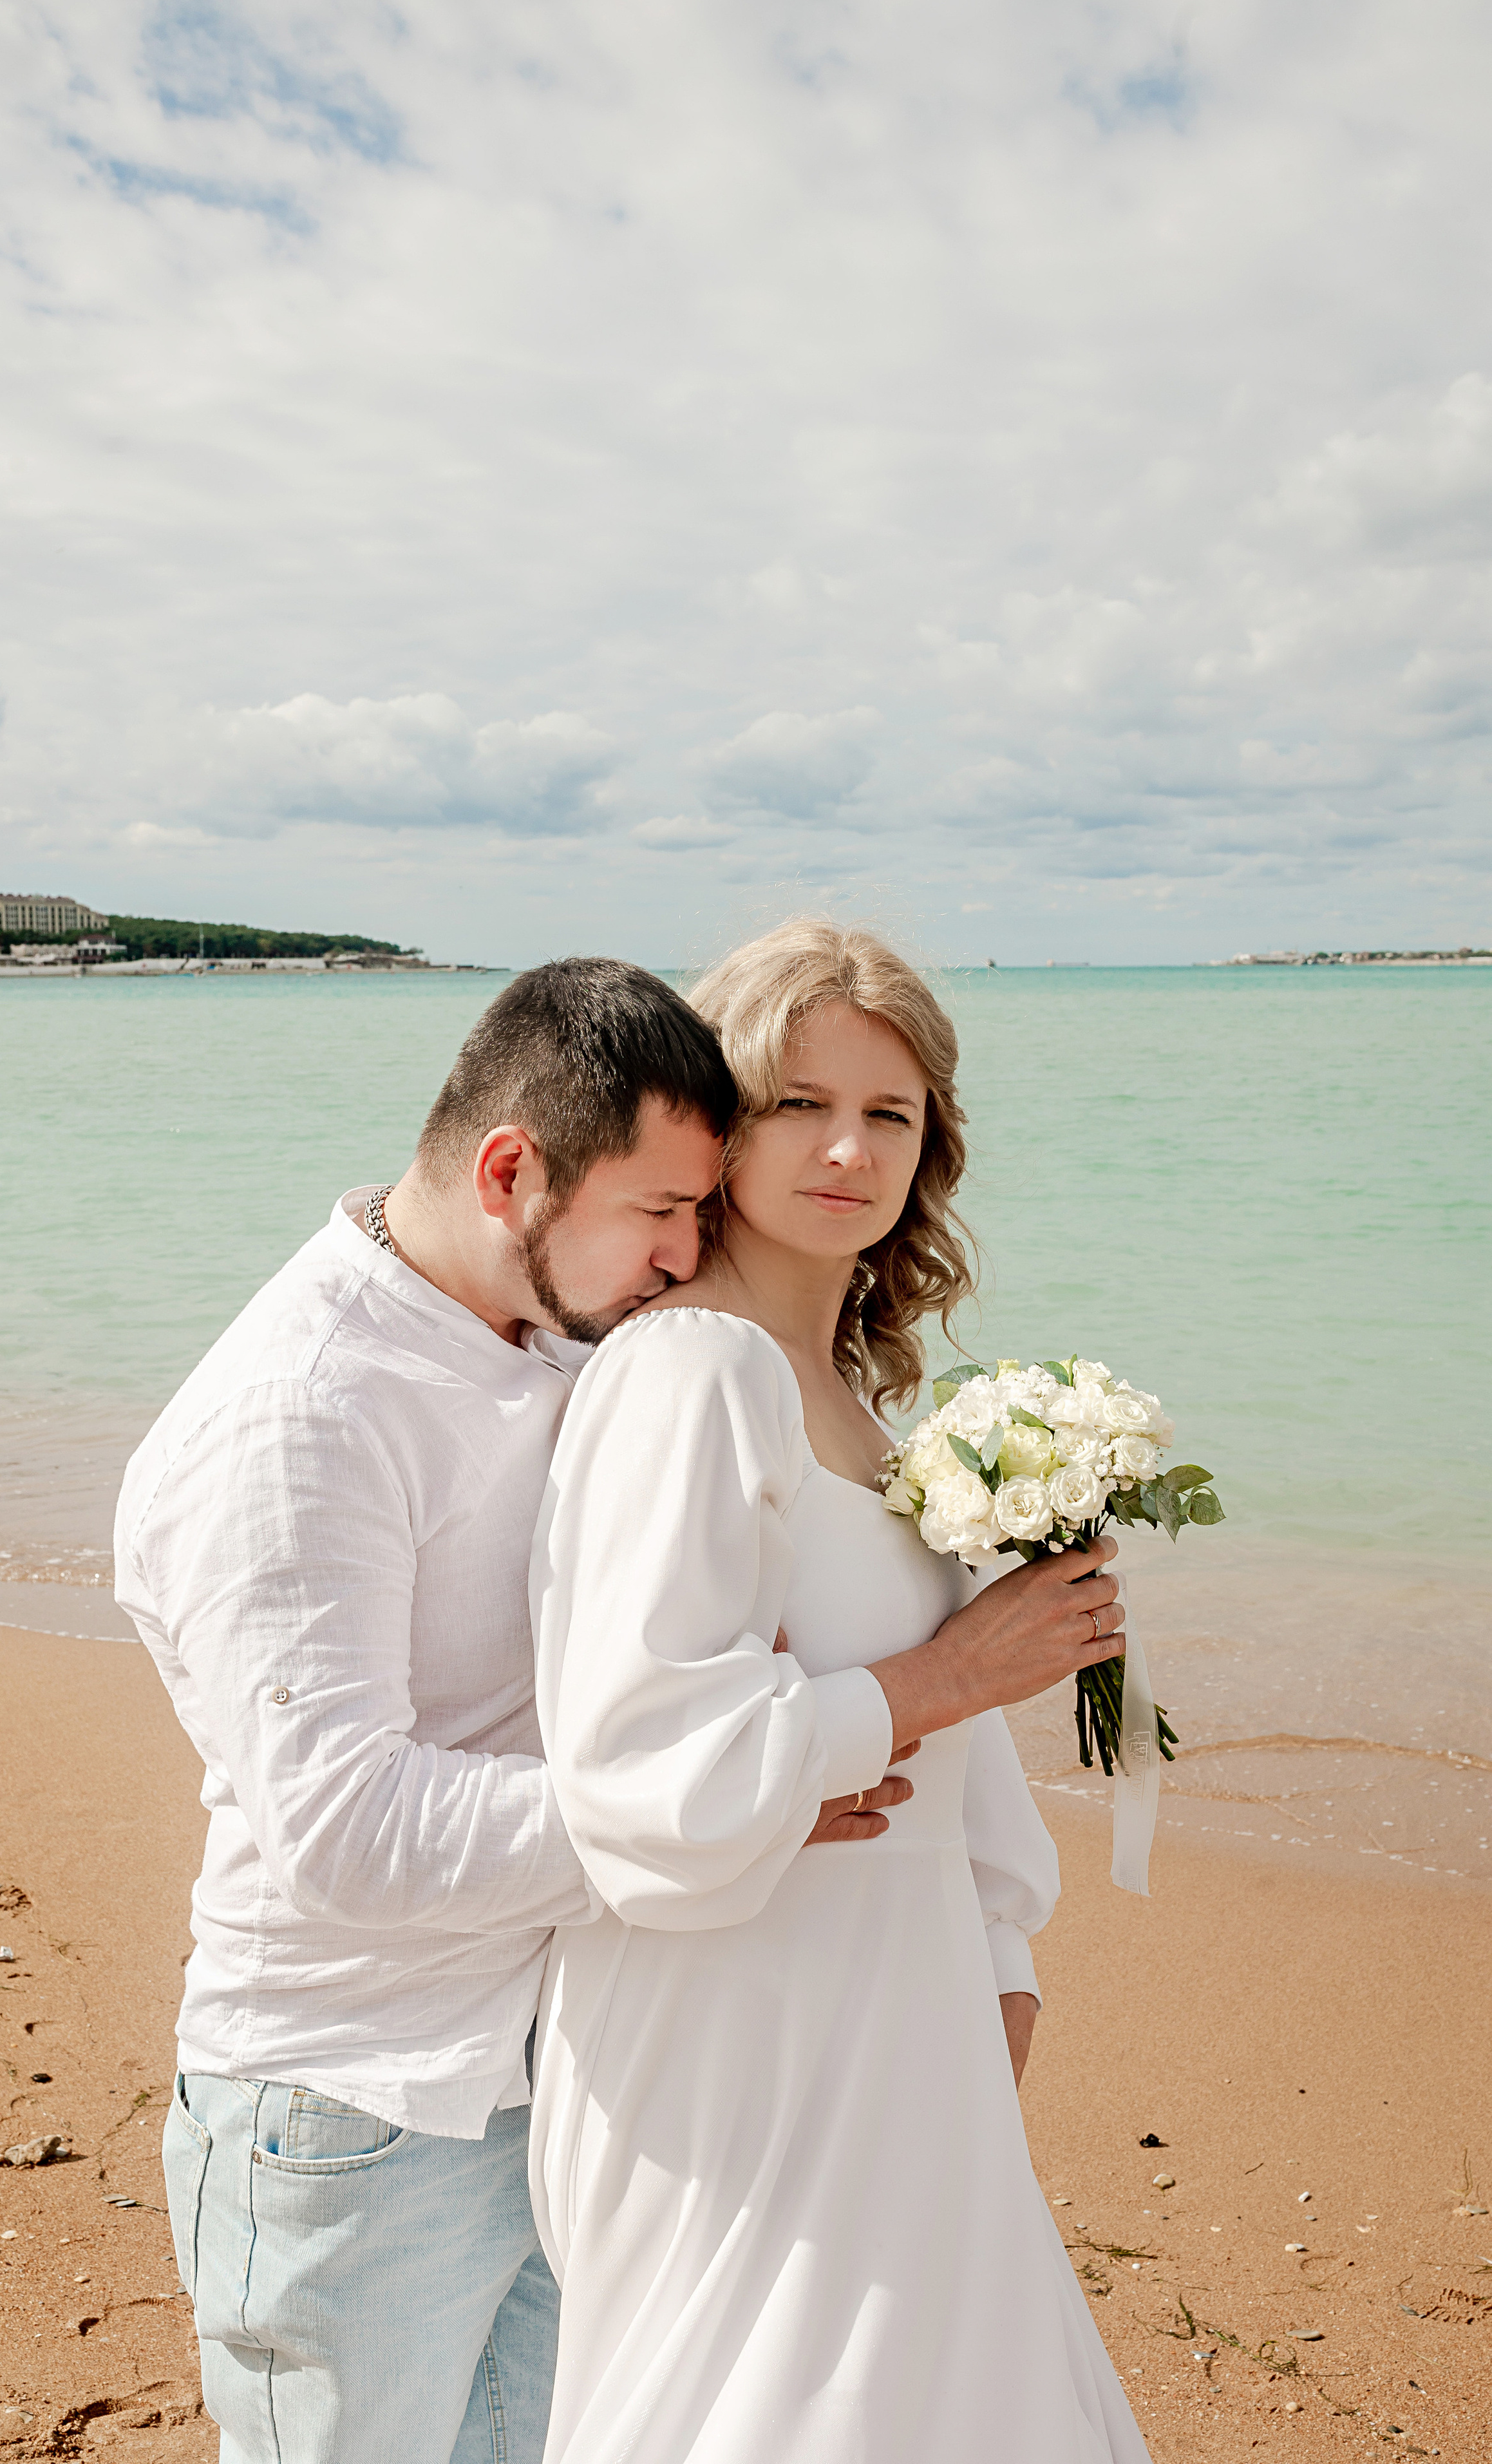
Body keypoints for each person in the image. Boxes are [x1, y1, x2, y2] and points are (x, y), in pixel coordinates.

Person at [115, 960, 914, 2464]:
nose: (685, 1254)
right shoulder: (299, 1417)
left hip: (556, 2066)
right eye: (659, 1210)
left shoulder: (548, 1324)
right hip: (355, 2107)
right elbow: (351, 1833)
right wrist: (720, 1802)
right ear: (508, 1173)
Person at [528, 920, 1153, 2461]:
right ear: (716, 1129)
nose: (846, 1150)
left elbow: (947, 1751)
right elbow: (640, 1769)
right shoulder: (693, 1374)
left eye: (889, 1113)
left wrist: (996, 1946)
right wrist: (947, 1670)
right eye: (798, 1104)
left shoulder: (866, 1410)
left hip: (903, 2014)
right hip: (738, 2032)